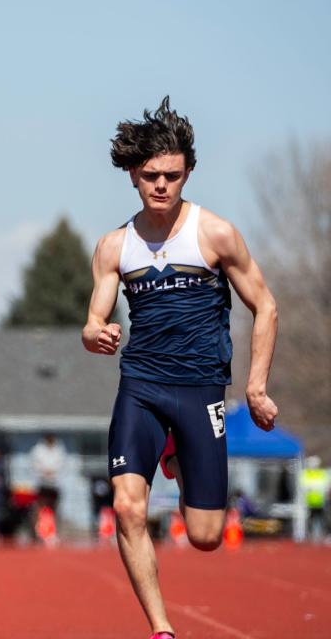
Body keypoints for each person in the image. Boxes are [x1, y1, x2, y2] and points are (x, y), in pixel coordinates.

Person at [82, 97, 278, 639]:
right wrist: (94, 332)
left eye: (172, 175)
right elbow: (93, 318)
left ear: (187, 171)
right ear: (132, 176)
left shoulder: (214, 234)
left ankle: (178, 454)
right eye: (150, 176)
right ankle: (162, 629)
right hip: (141, 386)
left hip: (201, 389)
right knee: (127, 507)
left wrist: (256, 386)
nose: (161, 186)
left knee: (206, 535)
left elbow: (266, 306)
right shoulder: (115, 247)